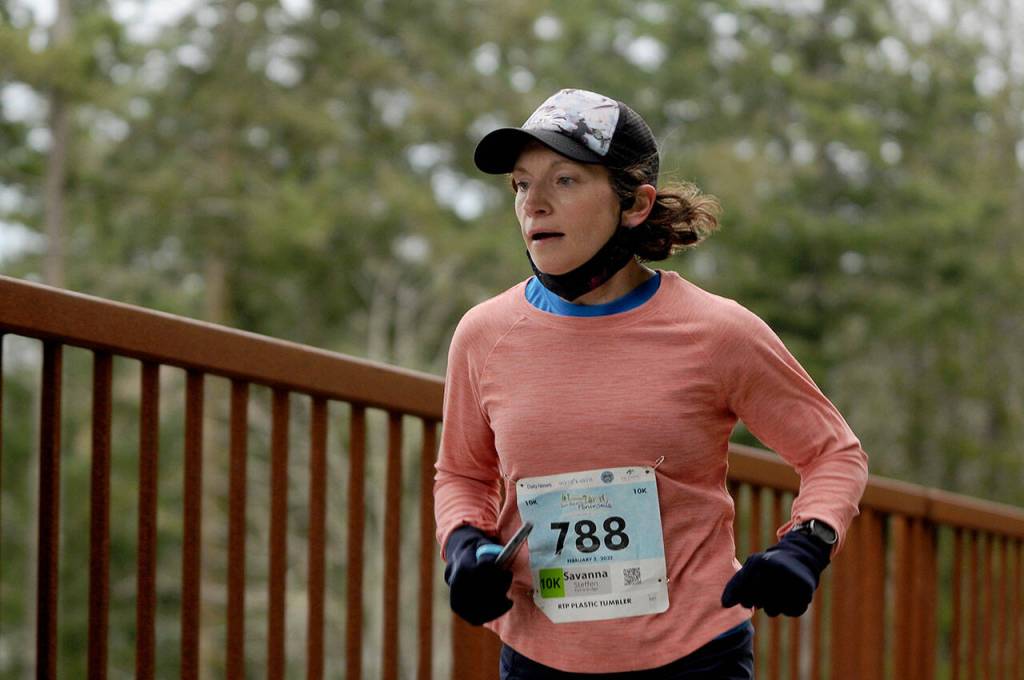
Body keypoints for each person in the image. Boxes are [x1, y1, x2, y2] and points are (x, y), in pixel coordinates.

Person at [433, 88, 869, 679]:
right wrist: (463, 545)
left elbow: (832, 453)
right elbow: (463, 472)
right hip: (540, 656)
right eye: (520, 184)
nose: (533, 203)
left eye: (564, 180)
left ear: (634, 204)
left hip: (695, 655)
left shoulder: (717, 331)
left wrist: (807, 544)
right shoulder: (484, 334)